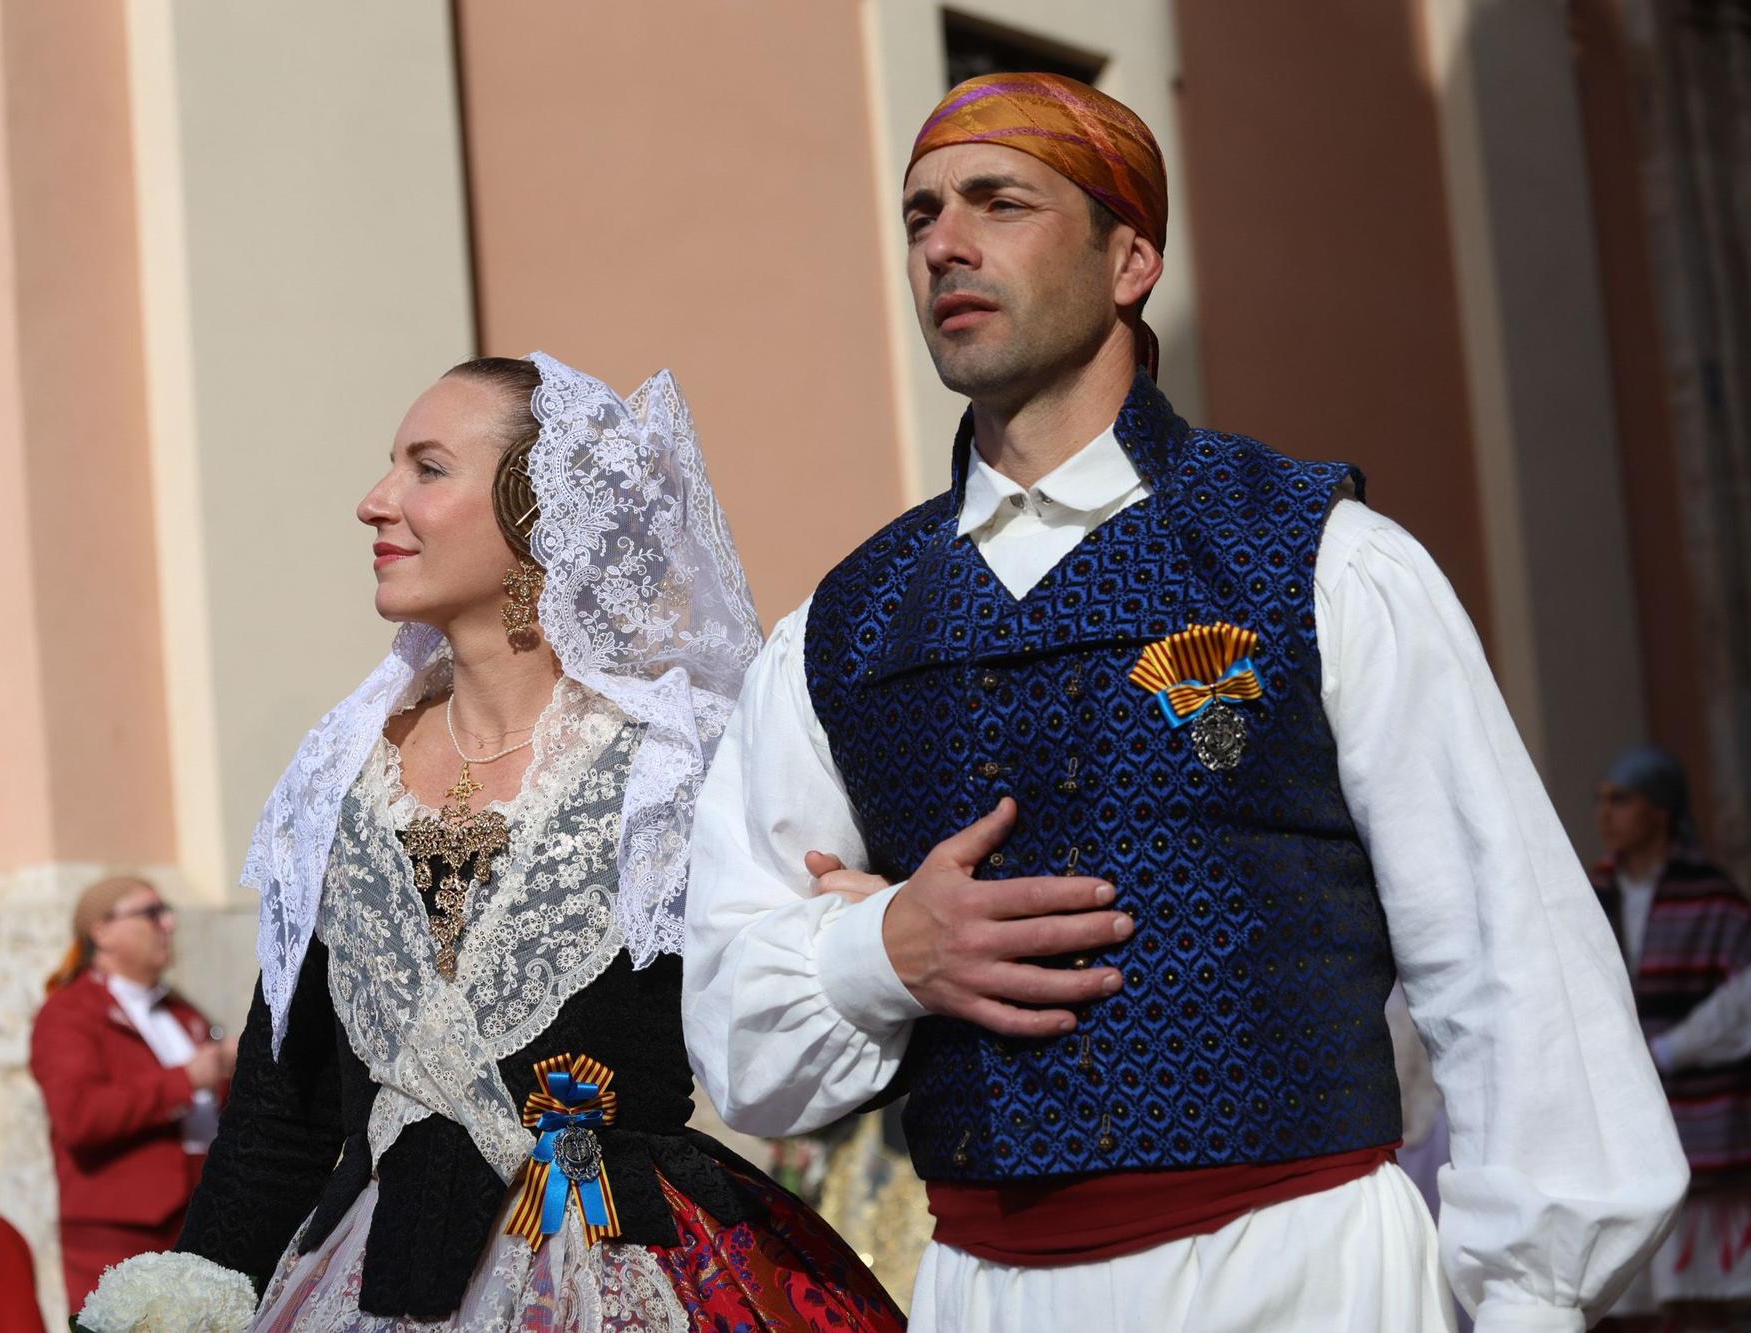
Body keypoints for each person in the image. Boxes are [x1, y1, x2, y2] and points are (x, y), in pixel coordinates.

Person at [681, 71, 1686, 1332]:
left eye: (999, 202)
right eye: (920, 212)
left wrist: (1532, 1301)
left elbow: (1504, 951)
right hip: (985, 1296)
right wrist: (884, 947)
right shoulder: (844, 626)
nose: (943, 243)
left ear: (1130, 258)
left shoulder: (1319, 558)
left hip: (1298, 1272)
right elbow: (736, 1028)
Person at [91, 354, 903, 1331]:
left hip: (617, 1262)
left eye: (426, 468)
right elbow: (280, 1112)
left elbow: (795, 1006)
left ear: (539, 515)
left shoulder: (675, 771)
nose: (374, 501)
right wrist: (192, 1291)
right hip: (361, 1279)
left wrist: (867, 937)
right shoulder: (338, 775)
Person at [1593, 746, 1751, 1331]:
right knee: (1627, 1303)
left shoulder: (1712, 896)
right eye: (1600, 801)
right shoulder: (1590, 895)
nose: (1604, 815)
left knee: (1699, 1301)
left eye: (1620, 801)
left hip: (1702, 1117)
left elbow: (1743, 999)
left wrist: (1669, 1050)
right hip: (1621, 1116)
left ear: (1660, 812)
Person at [31, 874, 236, 1311]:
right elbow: (80, 1116)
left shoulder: (180, 1008)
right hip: (123, 1234)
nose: (169, 925)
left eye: (167, 913)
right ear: (101, 931)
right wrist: (187, 1078)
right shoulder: (68, 1014)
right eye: (151, 913)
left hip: (200, 1217)